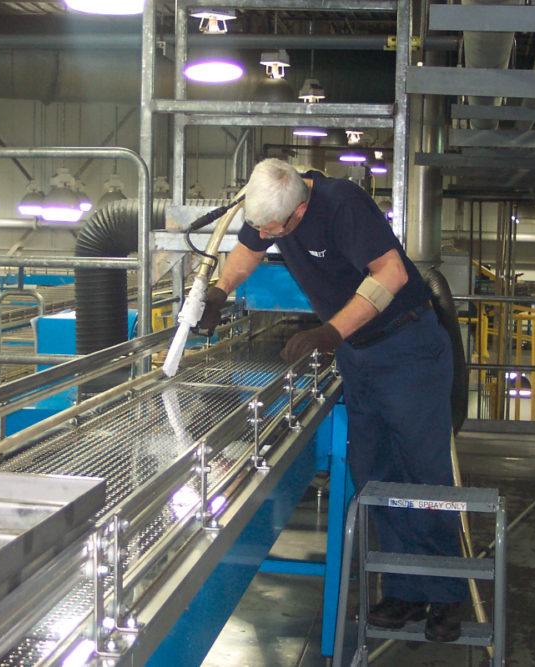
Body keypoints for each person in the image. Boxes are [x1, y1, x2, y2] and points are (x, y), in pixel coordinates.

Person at [197, 158, 467, 642]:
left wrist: (329, 331)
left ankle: (446, 595)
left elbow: (390, 274)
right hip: (359, 357)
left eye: (274, 229)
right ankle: (404, 589)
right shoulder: (274, 207)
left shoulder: (343, 205)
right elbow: (247, 250)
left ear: (299, 211)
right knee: (375, 472)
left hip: (407, 350)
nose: (266, 235)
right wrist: (219, 291)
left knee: (422, 473)